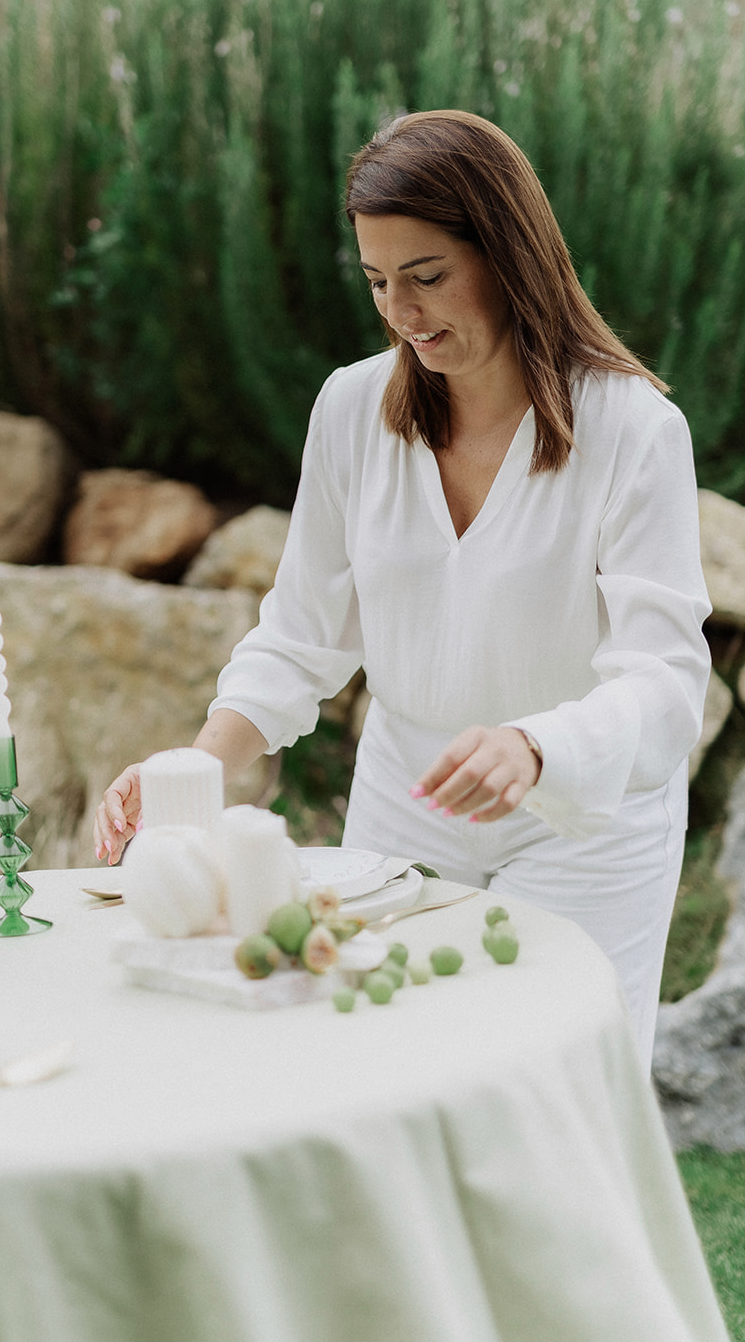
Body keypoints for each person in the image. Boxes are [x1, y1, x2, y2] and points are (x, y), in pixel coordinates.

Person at [94, 109, 711, 1070]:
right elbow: (300, 635)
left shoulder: (633, 430)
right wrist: (195, 772)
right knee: (383, 1067)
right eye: (378, 282)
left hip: (586, 824)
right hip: (405, 808)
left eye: (426, 277)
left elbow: (666, 684)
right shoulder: (351, 409)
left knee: (552, 1086)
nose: (402, 313)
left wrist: (535, 747)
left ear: (508, 255)